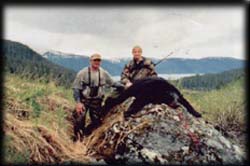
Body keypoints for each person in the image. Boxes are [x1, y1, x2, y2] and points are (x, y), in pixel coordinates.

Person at [72, 53, 115, 141]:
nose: (97, 62)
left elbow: (113, 83)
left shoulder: (103, 73)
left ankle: (87, 135)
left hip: (97, 101)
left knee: (97, 122)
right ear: (91, 61)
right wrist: (78, 103)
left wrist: (125, 86)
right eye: (95, 60)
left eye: (98, 60)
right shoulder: (82, 73)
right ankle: (77, 139)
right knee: (79, 119)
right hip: (84, 100)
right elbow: (76, 88)